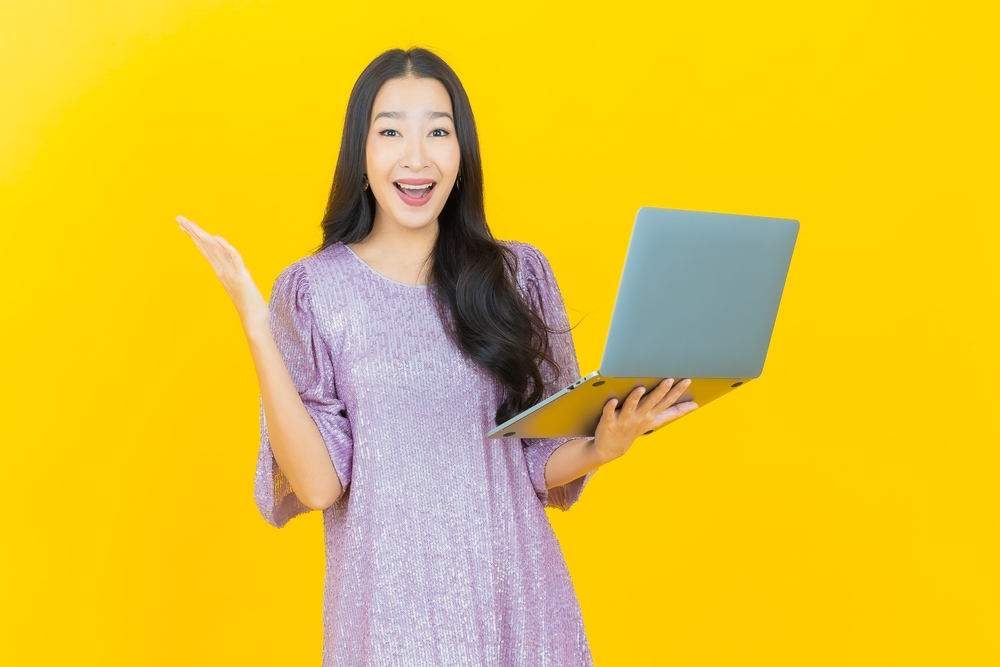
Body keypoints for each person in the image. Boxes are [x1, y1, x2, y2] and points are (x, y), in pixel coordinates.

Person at [178, 46, 698, 667]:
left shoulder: (518, 276)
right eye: (391, 131)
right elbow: (318, 485)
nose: (416, 157)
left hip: (522, 610)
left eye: (438, 132)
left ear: (462, 152)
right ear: (361, 152)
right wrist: (258, 329)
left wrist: (604, 445)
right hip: (390, 621)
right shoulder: (314, 290)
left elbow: (532, 459)